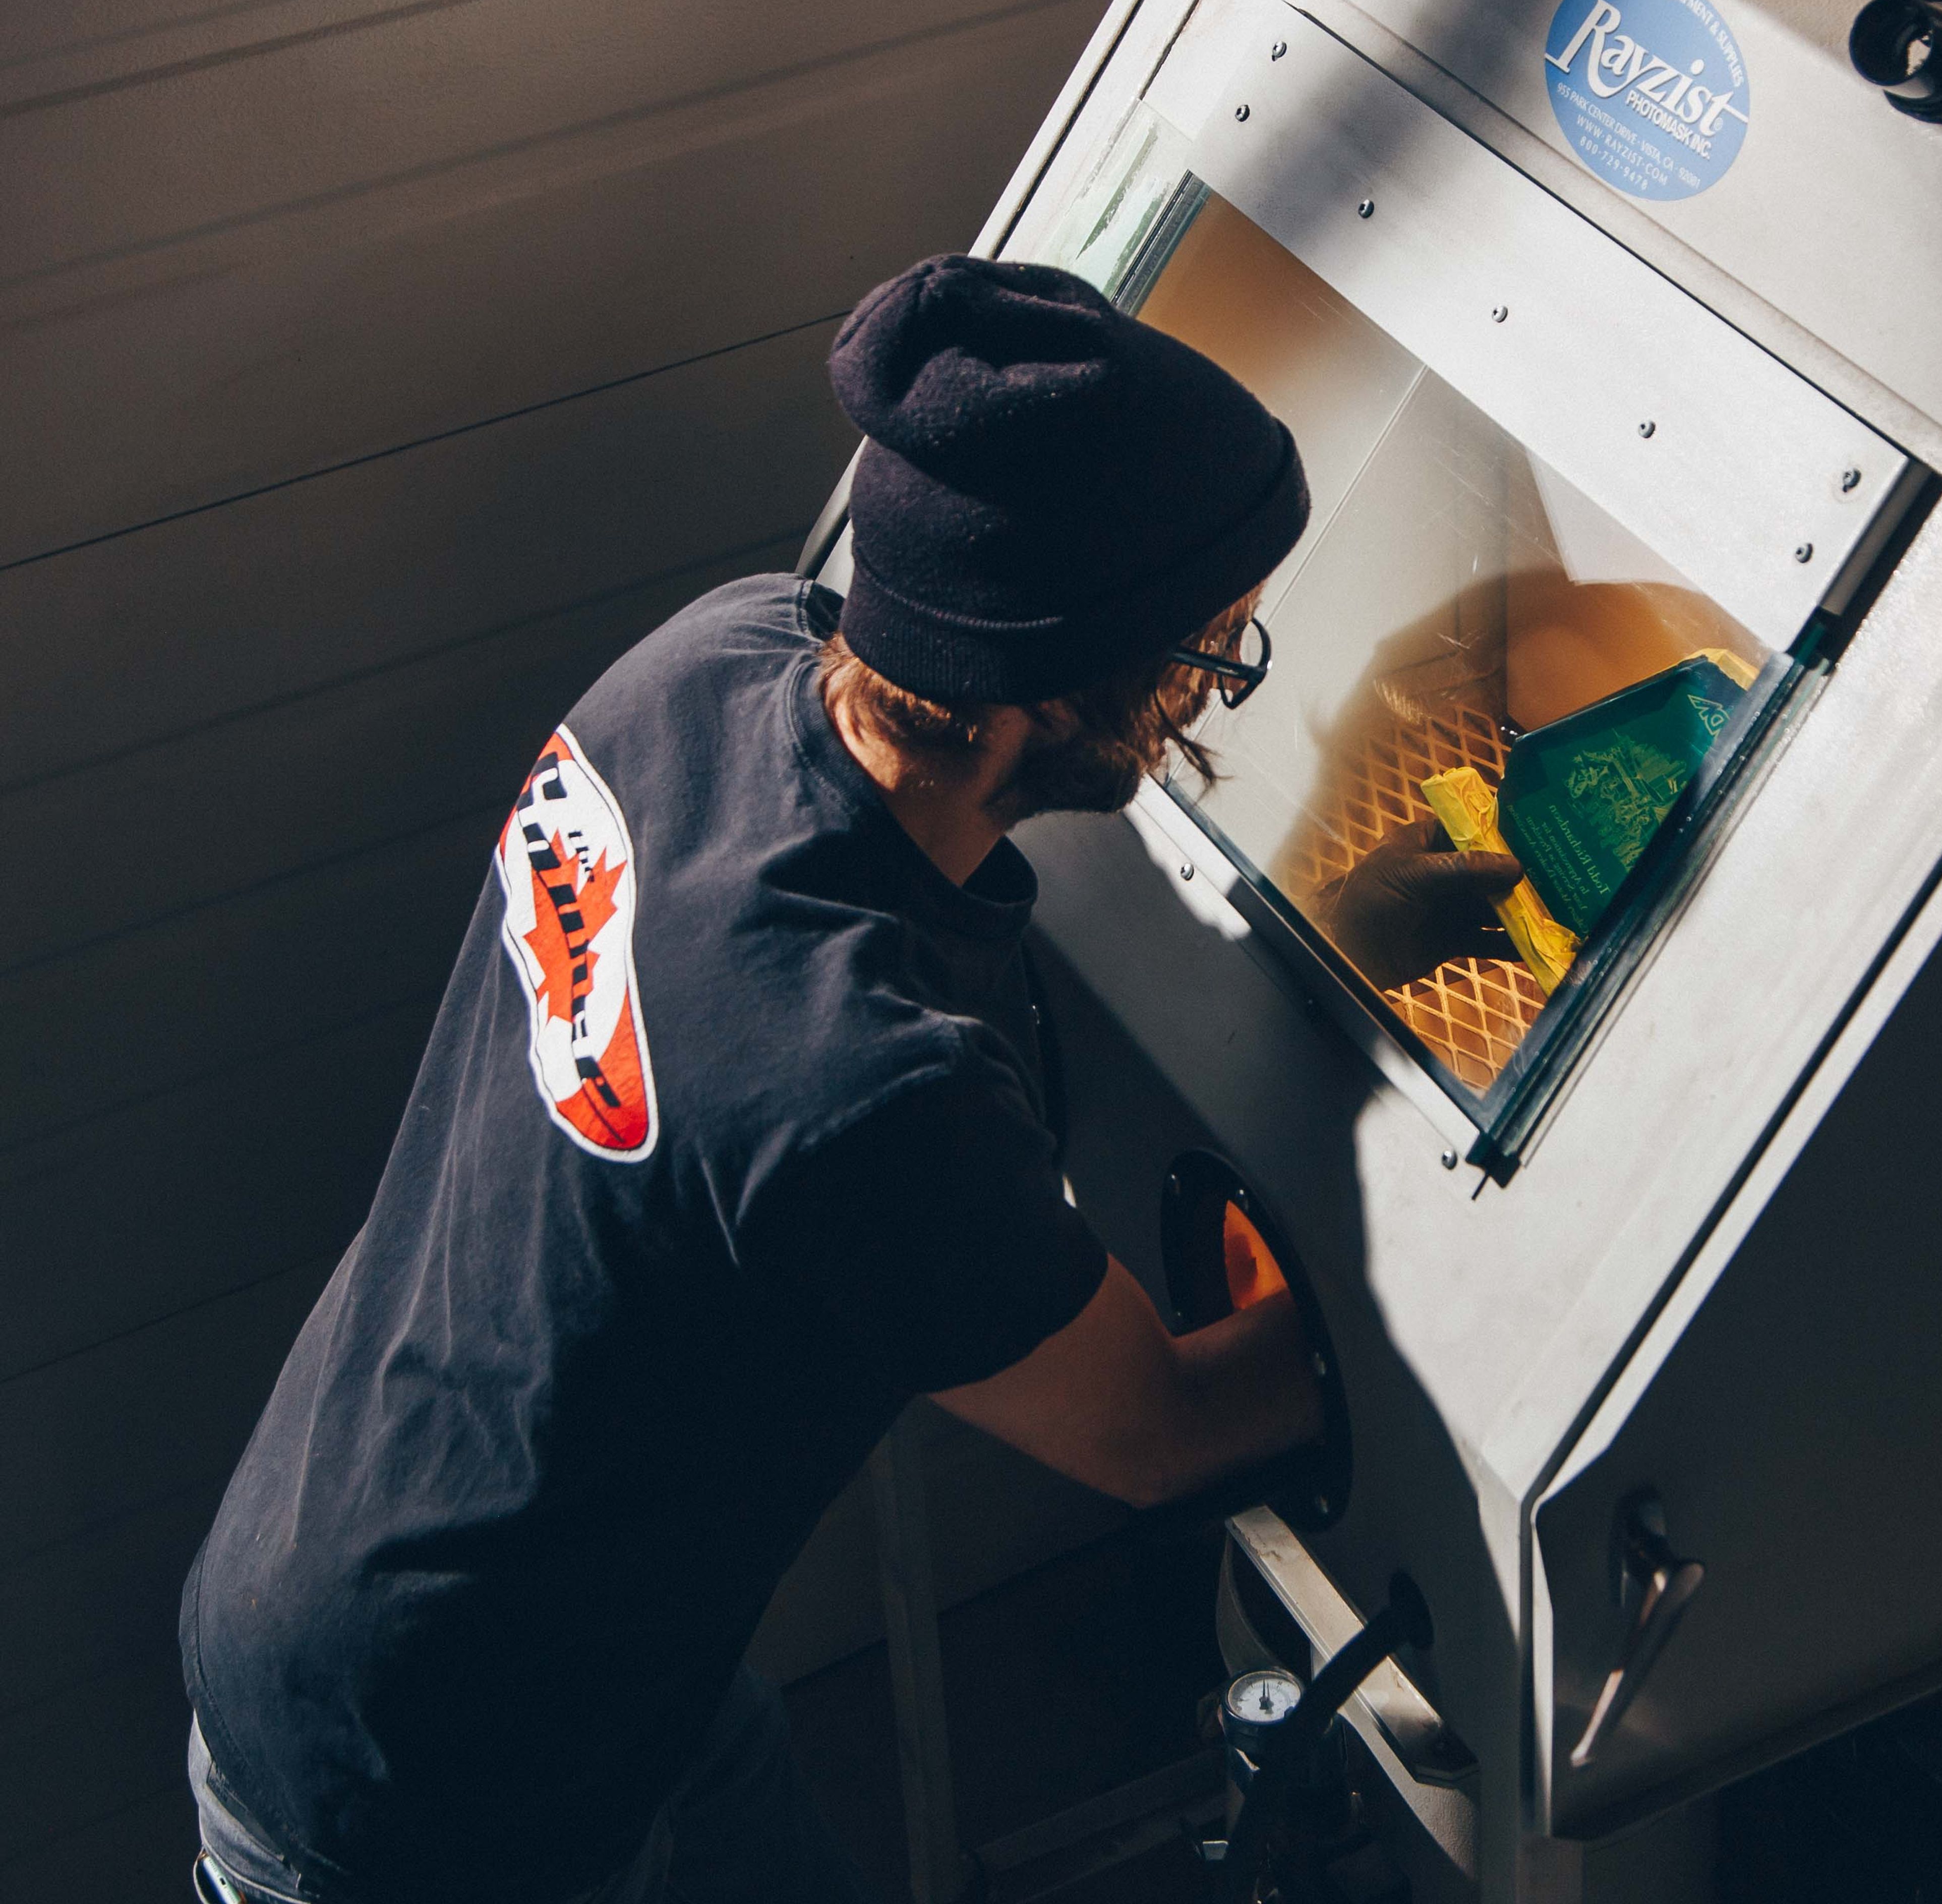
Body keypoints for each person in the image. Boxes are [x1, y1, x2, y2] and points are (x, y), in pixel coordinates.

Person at [178, 258, 1511, 1904]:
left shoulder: (716, 658)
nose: (1207, 687)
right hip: (431, 1788)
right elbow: (1164, 1427)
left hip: (447, 1555)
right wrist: (1500, 1299)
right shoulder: (865, 1082)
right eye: (1202, 655)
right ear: (1048, 691)